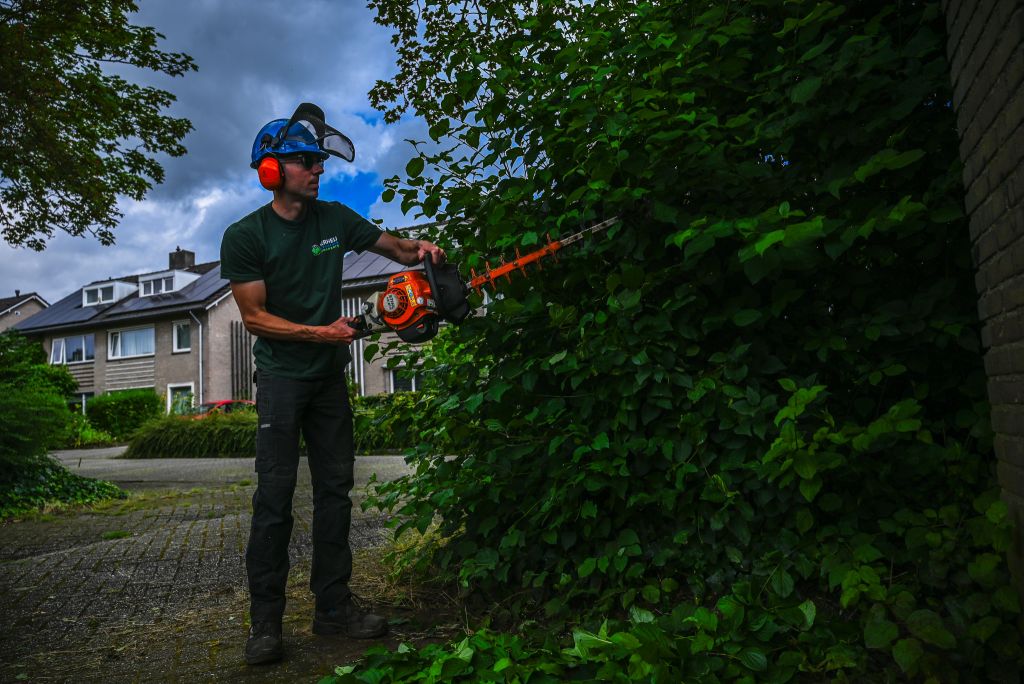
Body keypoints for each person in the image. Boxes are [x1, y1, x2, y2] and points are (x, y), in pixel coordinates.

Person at [220, 103, 446, 666]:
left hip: (327, 382)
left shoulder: (334, 218)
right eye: (304, 161)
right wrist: (319, 333)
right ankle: (265, 625)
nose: (317, 169)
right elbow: (254, 318)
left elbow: (392, 247)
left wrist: (425, 253)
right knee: (273, 500)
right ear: (272, 170)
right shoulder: (245, 235)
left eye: (318, 160)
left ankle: (333, 608)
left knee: (335, 493)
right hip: (280, 379)